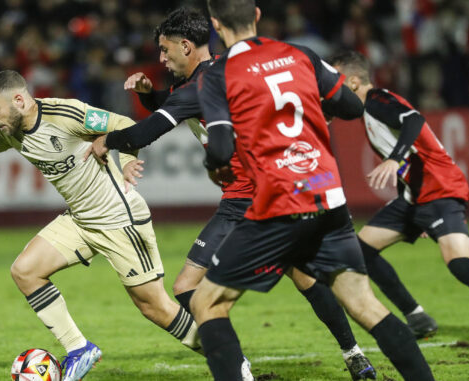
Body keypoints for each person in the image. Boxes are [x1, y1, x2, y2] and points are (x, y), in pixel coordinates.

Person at [85, 7, 375, 379]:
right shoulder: (224, 68)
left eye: (165, 49)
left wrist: (107, 141)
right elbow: (177, 104)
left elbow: (145, 133)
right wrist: (150, 96)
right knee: (304, 277)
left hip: (244, 199)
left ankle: (237, 368)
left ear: (186, 46)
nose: (161, 57)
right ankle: (355, 356)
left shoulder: (198, 87)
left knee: (187, 286)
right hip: (275, 189)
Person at [190, 1, 435, 380]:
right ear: (256, 15)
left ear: (215, 24)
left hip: (277, 202)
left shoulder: (217, 74)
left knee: (206, 302)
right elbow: (353, 106)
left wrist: (214, 167)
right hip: (328, 196)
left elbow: (221, 148)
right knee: (365, 304)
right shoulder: (300, 54)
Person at [0, 70, 202, 381]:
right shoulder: (9, 131)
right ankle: (79, 349)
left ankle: (228, 358)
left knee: (155, 308)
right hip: (81, 219)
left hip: (119, 218)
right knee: (25, 270)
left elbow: (123, 124)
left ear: (19, 100)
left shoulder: (65, 114)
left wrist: (126, 162)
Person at [328, 51, 469, 330]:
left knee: (460, 265)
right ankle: (417, 316)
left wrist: (394, 159)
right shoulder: (368, 110)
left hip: (440, 190)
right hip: (415, 198)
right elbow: (411, 156)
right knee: (360, 250)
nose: (331, 87)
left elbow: (413, 120)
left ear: (352, 82)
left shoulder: (377, 100)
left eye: (334, 79)